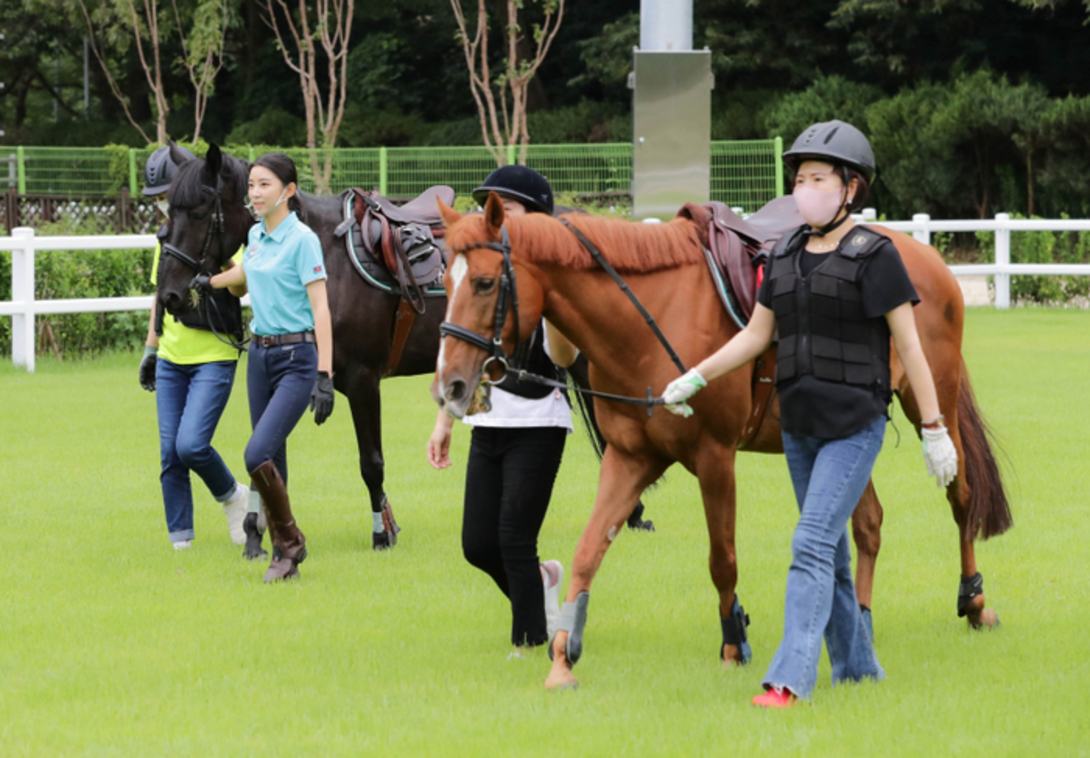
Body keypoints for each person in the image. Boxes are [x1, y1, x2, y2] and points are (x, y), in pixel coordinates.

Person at [662, 120, 959, 707]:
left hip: (855, 425)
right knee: (834, 557)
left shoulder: (876, 256)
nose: (806, 189)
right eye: (800, 179)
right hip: (799, 427)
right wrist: (695, 375)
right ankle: (858, 670)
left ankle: (787, 678)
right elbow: (754, 337)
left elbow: (914, 350)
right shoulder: (788, 253)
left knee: (810, 544)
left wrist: (935, 430)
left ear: (850, 188)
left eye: (818, 178)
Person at [427, 165, 577, 658]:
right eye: (493, 208)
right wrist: (447, 417)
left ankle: (531, 642)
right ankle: (542, 584)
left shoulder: (548, 280)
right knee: (477, 545)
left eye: (507, 209)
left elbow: (566, 360)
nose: (495, 217)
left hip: (540, 420)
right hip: (489, 419)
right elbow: (464, 352)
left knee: (514, 537)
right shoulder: (485, 270)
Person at [196, 152, 335, 583]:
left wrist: (324, 375)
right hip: (259, 356)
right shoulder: (256, 236)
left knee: (256, 453)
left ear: (289, 191)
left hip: (297, 359)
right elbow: (244, 275)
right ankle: (285, 556)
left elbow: (321, 309)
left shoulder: (303, 240)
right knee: (272, 455)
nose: (254, 193)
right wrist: (210, 281)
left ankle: (290, 543)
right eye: (252, 185)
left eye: (264, 185)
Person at [140, 144, 250, 550]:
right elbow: (159, 294)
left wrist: (215, 267)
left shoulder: (223, 225)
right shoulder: (168, 239)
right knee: (170, 457)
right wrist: (151, 350)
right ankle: (180, 545)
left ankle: (233, 496)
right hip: (172, 356)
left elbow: (241, 284)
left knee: (191, 445)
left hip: (213, 355)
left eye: (166, 195)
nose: (164, 205)